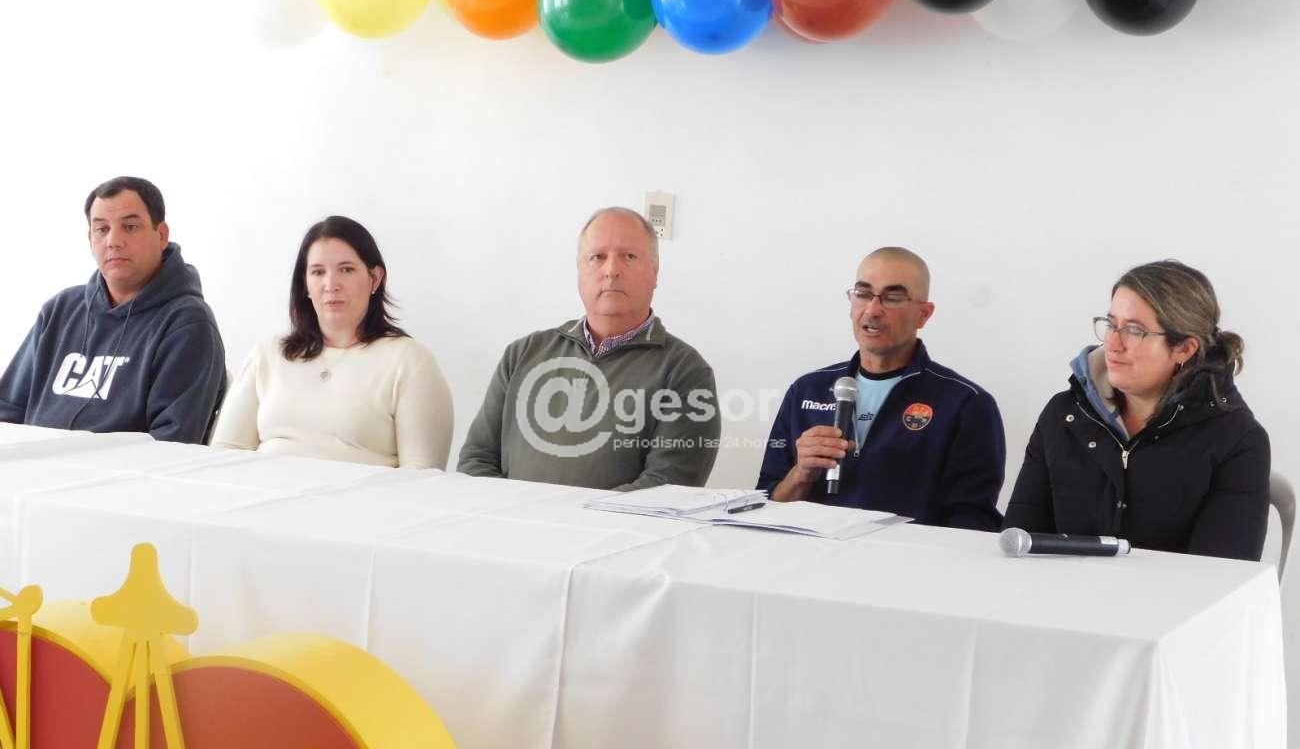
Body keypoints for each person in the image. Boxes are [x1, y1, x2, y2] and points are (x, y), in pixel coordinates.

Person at [1004, 260, 1269, 560]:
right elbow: (1018, 545)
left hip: (1171, 593)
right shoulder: (1063, 416)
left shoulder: (1238, 440)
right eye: (1111, 325)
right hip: (1062, 590)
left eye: (1134, 330)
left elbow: (1220, 578)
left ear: (1184, 349)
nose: (1112, 344)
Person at [458, 206, 719, 490]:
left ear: (655, 271)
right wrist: (517, 514)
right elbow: (475, 461)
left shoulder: (684, 371)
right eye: (597, 257)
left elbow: (665, 487)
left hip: (614, 523)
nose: (611, 270)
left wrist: (566, 516)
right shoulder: (522, 354)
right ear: (580, 270)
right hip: (512, 518)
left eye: (629, 256)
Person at [757, 247, 1005, 530]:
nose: (873, 310)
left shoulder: (965, 404)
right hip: (809, 554)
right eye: (863, 294)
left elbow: (973, 523)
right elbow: (764, 507)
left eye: (893, 298)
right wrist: (800, 474)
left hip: (906, 556)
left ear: (923, 314)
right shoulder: (807, 390)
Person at [210, 215, 453, 469]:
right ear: (305, 283)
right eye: (318, 272)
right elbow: (224, 454)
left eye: (346, 270)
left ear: (375, 278)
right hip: (262, 491)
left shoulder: (411, 362)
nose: (331, 285)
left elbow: (421, 477)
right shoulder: (268, 354)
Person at [0, 176, 225, 443]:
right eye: (102, 229)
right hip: (32, 464)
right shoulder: (60, 310)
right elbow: (7, 410)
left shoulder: (188, 324)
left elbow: (173, 443)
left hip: (121, 470)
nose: (113, 241)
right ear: (90, 238)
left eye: (130, 227)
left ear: (162, 235)